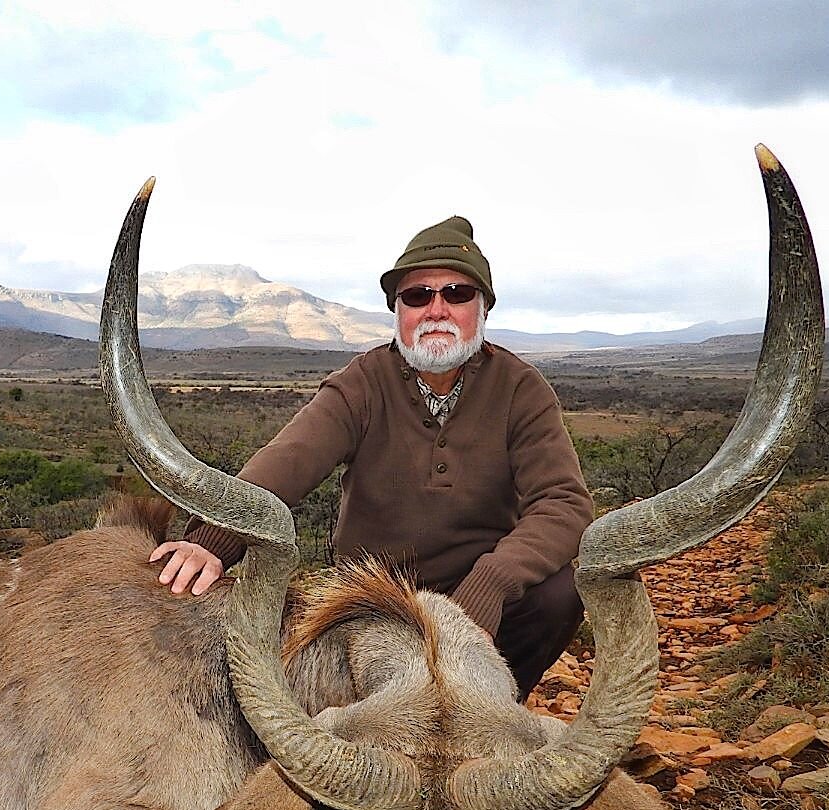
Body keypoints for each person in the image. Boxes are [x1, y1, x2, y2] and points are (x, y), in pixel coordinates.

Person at [150, 216, 594, 701]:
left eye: (457, 294)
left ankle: (492, 711)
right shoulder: (363, 382)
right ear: (398, 310)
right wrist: (214, 540)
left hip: (476, 595)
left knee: (558, 596)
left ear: (482, 307)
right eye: (418, 296)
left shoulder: (519, 388)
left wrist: (490, 585)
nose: (437, 309)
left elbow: (562, 503)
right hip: (372, 592)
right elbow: (291, 459)